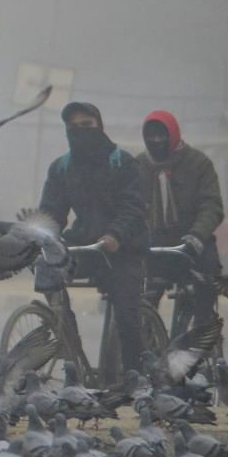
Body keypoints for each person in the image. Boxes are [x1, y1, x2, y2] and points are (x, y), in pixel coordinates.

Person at [38, 101, 149, 374]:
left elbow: (133, 207)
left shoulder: (123, 162)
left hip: (124, 248)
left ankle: (136, 376)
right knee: (48, 269)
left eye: (86, 126)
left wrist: (115, 235)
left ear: (99, 126)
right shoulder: (61, 167)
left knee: (126, 314)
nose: (80, 132)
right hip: (85, 244)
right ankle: (67, 343)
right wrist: (45, 239)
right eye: (73, 128)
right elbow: (51, 212)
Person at [136, 110, 224, 323]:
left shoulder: (198, 163)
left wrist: (197, 235)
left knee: (204, 292)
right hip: (155, 247)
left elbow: (211, 205)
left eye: (162, 135)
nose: (156, 141)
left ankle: (202, 342)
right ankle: (147, 343)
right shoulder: (139, 166)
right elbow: (130, 206)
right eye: (151, 136)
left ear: (173, 135)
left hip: (193, 246)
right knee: (141, 303)